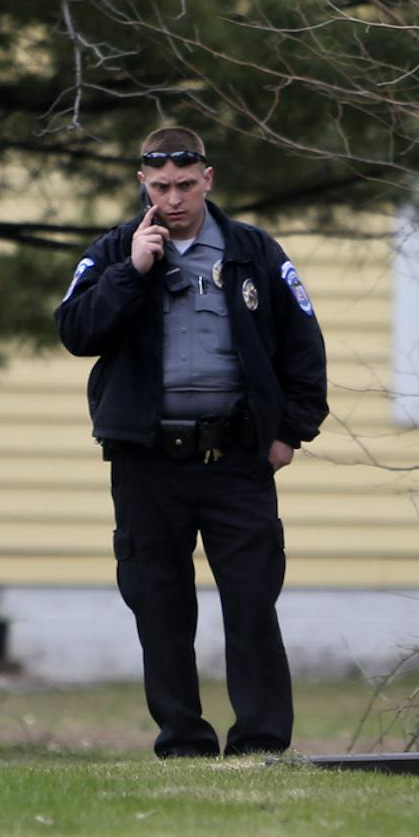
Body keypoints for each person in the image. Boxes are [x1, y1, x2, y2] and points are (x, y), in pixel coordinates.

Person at [54, 126, 328, 758]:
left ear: (208, 179)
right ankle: (183, 740)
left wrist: (289, 433)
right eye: (159, 187)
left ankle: (260, 741)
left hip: (237, 457)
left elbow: (304, 348)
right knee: (159, 604)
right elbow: (75, 331)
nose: (172, 199)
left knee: (252, 600)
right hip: (147, 459)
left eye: (184, 184)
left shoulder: (254, 252)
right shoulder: (115, 250)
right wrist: (132, 270)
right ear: (142, 184)